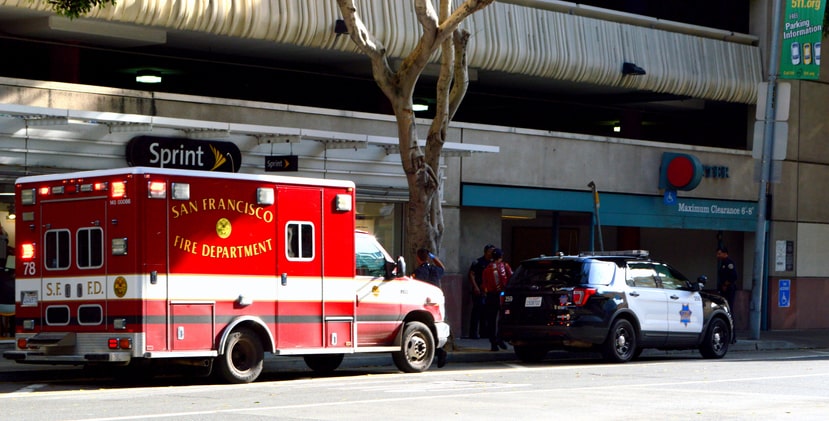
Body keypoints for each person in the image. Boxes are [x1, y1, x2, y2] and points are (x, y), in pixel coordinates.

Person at [412, 248, 448, 367]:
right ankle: (439, 351)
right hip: (435, 302)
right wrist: (433, 257)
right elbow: (442, 267)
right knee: (433, 327)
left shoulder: (418, 271)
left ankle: (439, 352)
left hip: (423, 302)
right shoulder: (435, 269)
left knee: (424, 329)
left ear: (417, 258)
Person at [481, 248, 512, 351]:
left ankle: (493, 343)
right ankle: (500, 338)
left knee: (491, 320)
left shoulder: (487, 268)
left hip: (490, 296)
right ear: (501, 257)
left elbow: (484, 284)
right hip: (502, 295)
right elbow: (511, 277)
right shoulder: (505, 266)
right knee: (503, 318)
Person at [467, 244, 495, 339]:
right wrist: (475, 287)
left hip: (488, 291)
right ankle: (473, 333)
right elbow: (471, 275)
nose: (492, 253)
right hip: (479, 290)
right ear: (486, 252)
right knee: (477, 312)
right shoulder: (478, 262)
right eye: (490, 251)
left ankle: (484, 332)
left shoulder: (492, 263)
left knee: (486, 313)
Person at [716, 246, 738, 310]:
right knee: (723, 305)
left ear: (725, 253)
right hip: (724, 288)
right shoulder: (723, 263)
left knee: (729, 306)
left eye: (719, 254)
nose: (718, 256)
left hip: (729, 288)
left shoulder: (729, 263)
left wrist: (725, 284)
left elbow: (734, 276)